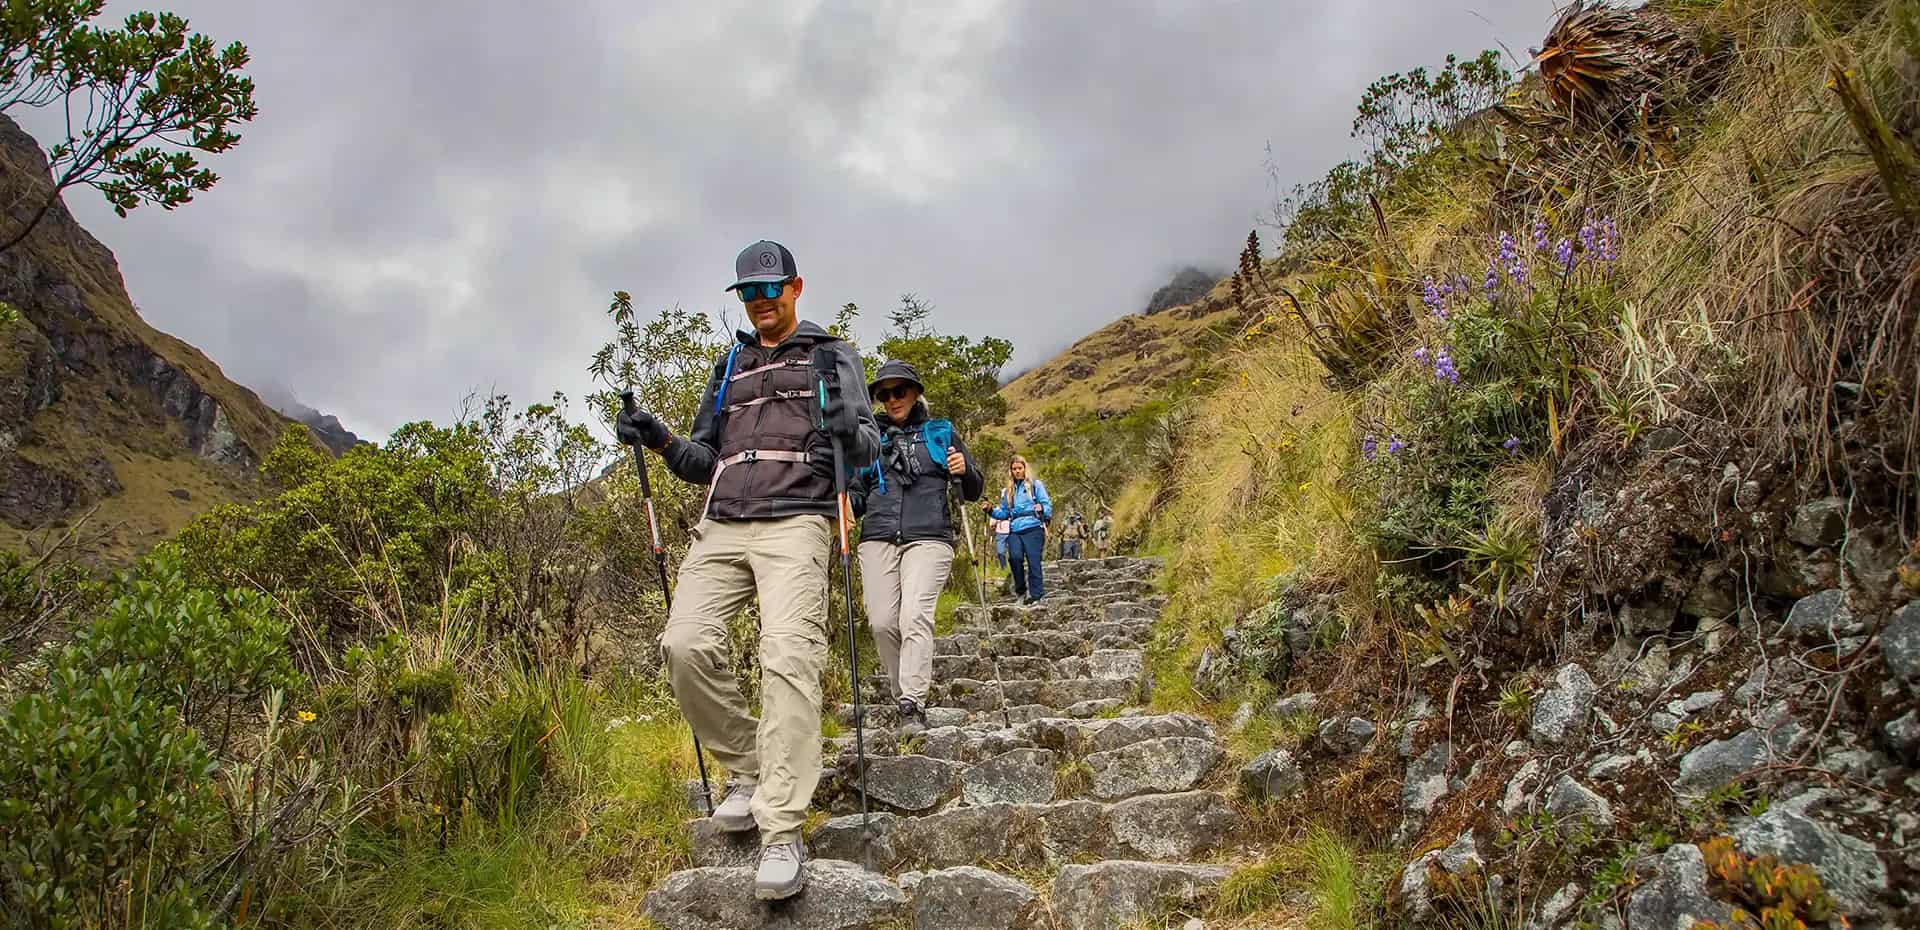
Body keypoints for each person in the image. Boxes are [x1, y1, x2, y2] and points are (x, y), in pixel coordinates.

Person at [616, 239, 879, 901]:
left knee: (789, 654)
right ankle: (749, 767)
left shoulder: (831, 354)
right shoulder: (729, 362)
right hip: (724, 518)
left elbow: (869, 448)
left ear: (795, 287)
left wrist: (851, 429)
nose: (762, 302)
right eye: (750, 293)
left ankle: (783, 827)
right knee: (684, 644)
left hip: (798, 519)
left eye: (771, 289)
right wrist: (659, 438)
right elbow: (704, 459)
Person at [849, 360, 984, 737]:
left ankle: (912, 702)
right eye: (885, 394)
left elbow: (973, 490)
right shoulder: (870, 440)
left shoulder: (941, 432)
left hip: (930, 536)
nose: (892, 399)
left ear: (915, 392)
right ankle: (902, 695)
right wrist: (842, 503)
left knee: (914, 617)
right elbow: (858, 495)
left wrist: (963, 469)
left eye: (900, 391)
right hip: (877, 536)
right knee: (881, 622)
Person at [984, 455, 1051, 603]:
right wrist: (990, 510)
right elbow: (1003, 512)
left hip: (1033, 527)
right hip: (1015, 529)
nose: (1017, 471)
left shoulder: (1035, 485)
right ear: (1011, 471)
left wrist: (1043, 510)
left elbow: (1046, 504)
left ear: (1024, 469)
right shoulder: (1009, 491)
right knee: (1014, 558)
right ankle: (1021, 591)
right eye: (1014, 469)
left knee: (1034, 561)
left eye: (1019, 468)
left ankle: (1036, 595)